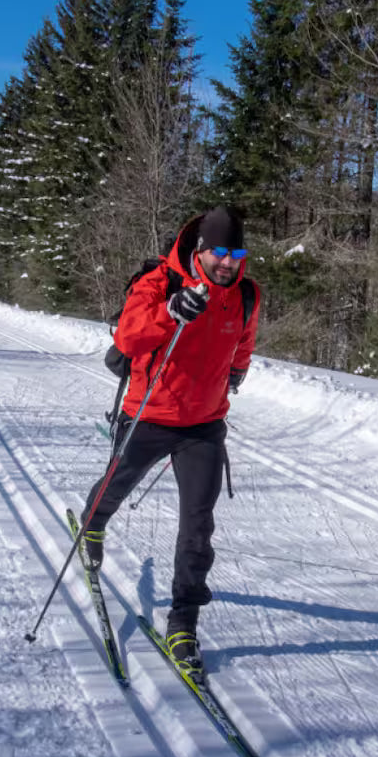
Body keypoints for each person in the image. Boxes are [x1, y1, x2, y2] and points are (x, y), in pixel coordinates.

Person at [78, 206, 259, 681]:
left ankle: (184, 623)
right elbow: (128, 337)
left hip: (204, 424)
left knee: (198, 527)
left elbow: (243, 337)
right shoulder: (160, 282)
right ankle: (92, 524)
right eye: (220, 252)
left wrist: (237, 370)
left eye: (236, 253)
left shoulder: (245, 294)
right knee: (117, 484)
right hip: (149, 414)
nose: (228, 262)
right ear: (200, 250)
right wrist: (169, 312)